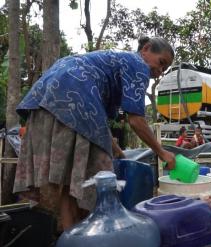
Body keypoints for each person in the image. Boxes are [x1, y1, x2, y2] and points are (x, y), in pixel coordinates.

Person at [14, 36, 176, 230]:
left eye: (164, 70)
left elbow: (101, 125)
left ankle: (71, 241)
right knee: (95, 182)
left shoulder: (114, 61)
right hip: (75, 97)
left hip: (46, 98)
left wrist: (117, 150)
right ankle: (91, 240)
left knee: (71, 184)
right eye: (161, 63)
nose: (159, 73)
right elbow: (136, 120)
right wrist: (162, 152)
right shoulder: (137, 64)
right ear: (146, 49)